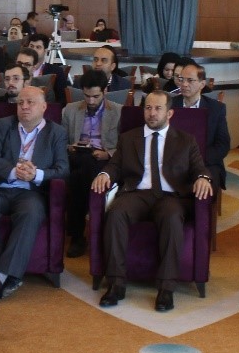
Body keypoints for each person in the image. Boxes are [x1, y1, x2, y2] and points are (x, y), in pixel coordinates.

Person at [91, 89, 212, 313]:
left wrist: (203, 178)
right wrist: (105, 174)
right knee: (116, 213)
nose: (152, 113)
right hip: (137, 194)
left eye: (158, 108)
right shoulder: (129, 138)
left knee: (172, 217)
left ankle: (166, 287)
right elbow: (115, 165)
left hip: (170, 196)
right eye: (148, 108)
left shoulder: (185, 140)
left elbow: (199, 168)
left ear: (169, 113)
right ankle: (116, 283)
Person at [0, 85, 69, 300]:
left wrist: (36, 174)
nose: (24, 107)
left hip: (30, 192)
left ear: (44, 107)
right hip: (1, 186)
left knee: (31, 214)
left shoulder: (56, 132)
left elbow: (63, 169)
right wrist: (14, 171)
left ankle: (4, 274)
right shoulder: (3, 125)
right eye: (20, 102)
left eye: (30, 102)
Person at [61, 69, 122, 259]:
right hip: (76, 155)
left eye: (96, 96)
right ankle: (91, 231)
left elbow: (124, 145)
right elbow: (61, 140)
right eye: (87, 96)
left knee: (79, 175)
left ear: (105, 91)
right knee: (82, 168)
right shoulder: (70, 110)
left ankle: (77, 235)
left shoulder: (118, 111)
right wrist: (70, 147)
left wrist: (108, 153)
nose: (91, 101)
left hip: (102, 158)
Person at [170, 61, 230, 191]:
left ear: (202, 84)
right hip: (174, 161)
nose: (184, 84)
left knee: (202, 190)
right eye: (181, 79)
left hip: (206, 162)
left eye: (190, 80)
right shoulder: (169, 105)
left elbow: (223, 145)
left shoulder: (216, 109)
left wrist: (196, 160)